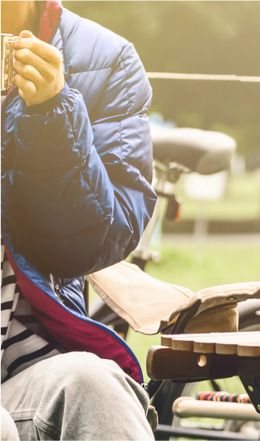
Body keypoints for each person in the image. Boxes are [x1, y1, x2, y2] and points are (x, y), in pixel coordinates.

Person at [0, 0, 157, 439]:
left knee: (96, 386)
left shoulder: (105, 58)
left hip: (26, 369)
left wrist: (50, 115)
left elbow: (93, 244)